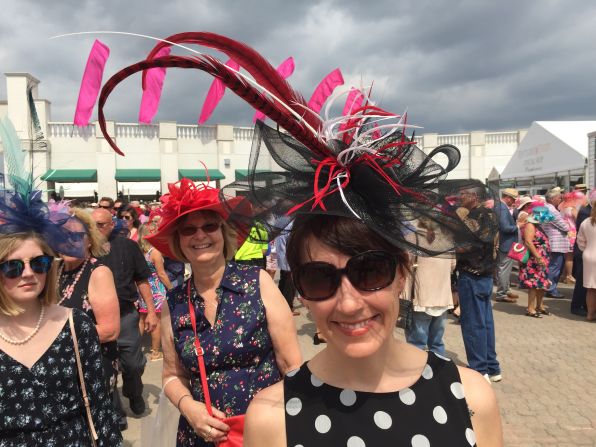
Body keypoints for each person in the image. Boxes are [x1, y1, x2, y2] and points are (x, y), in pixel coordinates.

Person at [96, 31, 502, 446]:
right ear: (303, 293)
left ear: (402, 272)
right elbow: (172, 372)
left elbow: (290, 358)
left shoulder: (471, 399)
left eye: (370, 271)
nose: (347, 301)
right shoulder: (275, 417)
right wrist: (191, 407)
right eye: (319, 278)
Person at [143, 179, 302, 446]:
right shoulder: (175, 300)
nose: (200, 235)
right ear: (178, 242)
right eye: (188, 229)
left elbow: (292, 366)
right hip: (201, 436)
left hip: (264, 433)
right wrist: (188, 407)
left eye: (209, 225)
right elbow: (172, 375)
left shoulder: (258, 282)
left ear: (223, 232)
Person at [0, 139, 121, 444]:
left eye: (38, 263)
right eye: (12, 267)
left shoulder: (74, 324)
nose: (28, 273)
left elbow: (99, 409)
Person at [91, 208, 158, 423]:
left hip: (126, 315)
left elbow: (142, 280)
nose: (96, 229)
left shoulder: (128, 246)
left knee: (133, 364)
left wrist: (151, 312)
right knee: (103, 368)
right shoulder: (84, 249)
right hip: (95, 318)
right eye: (92, 225)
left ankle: (134, 393)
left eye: (101, 224)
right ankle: (115, 410)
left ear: (112, 225)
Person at [58, 207, 121, 393]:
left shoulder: (98, 273)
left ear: (89, 241)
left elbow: (110, 331)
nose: (69, 241)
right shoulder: (55, 269)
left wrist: (52, 337)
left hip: (91, 366)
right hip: (61, 365)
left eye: (77, 236)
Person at [455, 186, 502, 383]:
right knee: (486, 323)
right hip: (486, 275)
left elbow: (466, 246)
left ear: (474, 197)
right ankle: (492, 367)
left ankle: (479, 368)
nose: (459, 198)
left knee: (473, 324)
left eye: (463, 195)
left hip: (471, 274)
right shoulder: (491, 214)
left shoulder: (473, 217)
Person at [405, 222, 456, 355]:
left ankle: (416, 372)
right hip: (442, 297)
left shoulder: (412, 237)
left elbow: (405, 262)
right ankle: (439, 371)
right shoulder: (447, 240)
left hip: (422, 296)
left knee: (417, 343)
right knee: (437, 342)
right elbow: (452, 265)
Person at [137, 224, 171, 361]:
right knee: (156, 320)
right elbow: (161, 274)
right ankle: (155, 352)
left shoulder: (141, 251)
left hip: (143, 287)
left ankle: (136, 349)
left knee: (142, 319)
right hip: (156, 288)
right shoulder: (155, 252)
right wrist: (171, 288)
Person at [518, 206, 553, 317]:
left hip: (541, 259)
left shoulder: (537, 224)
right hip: (534, 259)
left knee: (541, 283)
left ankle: (539, 306)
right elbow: (528, 242)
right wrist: (538, 257)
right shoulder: (530, 225)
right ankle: (530, 308)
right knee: (533, 284)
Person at [542, 189, 570, 298]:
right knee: (555, 267)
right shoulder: (552, 210)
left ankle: (548, 287)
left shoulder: (544, 208)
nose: (560, 199)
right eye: (559, 198)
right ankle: (551, 289)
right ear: (553, 199)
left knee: (551, 267)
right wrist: (568, 225)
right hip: (556, 243)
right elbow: (565, 227)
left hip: (550, 241)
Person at [494, 188, 520, 303]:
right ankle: (502, 293)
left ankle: (505, 290)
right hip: (506, 243)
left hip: (505, 242)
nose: (514, 202)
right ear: (508, 198)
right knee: (504, 268)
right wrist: (518, 226)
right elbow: (505, 227)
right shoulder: (502, 208)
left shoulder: (500, 206)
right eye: (513, 199)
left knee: (504, 268)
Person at [571, 192, 593, 316]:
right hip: (584, 251)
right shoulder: (586, 212)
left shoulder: (587, 210)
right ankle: (576, 306)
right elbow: (583, 234)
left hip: (587, 250)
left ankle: (586, 305)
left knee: (588, 283)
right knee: (582, 281)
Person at [576, 190, 596, 321]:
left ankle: (589, 314)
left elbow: (580, 240)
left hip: (589, 255)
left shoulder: (587, 222)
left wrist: (586, 250)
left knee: (591, 288)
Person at [558, 191, 585, 284]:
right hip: (572, 233)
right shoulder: (572, 209)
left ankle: (563, 275)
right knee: (570, 256)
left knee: (566, 256)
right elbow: (578, 220)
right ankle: (569, 275)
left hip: (565, 233)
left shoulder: (562, 209)